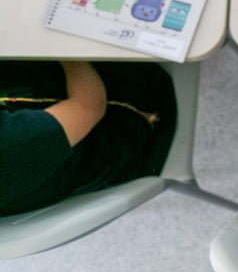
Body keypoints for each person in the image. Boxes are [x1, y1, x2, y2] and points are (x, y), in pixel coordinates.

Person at [0, 61, 177, 216]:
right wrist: (65, 51)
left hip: (43, 95)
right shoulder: (12, 147)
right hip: (136, 116)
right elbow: (89, 106)